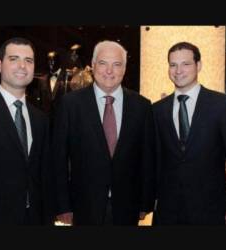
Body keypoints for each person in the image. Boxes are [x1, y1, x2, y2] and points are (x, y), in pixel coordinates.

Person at [51, 40, 154, 225]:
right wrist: (62, 205)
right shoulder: (71, 104)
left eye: (116, 64)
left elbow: (147, 157)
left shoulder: (142, 106)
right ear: (93, 64)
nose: (109, 71)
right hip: (83, 206)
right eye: (103, 63)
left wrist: (145, 202)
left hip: (128, 206)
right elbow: (58, 157)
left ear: (124, 68)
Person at [0, 37, 53, 225]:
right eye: (14, 59)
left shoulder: (41, 119)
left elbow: (45, 178)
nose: (22, 66)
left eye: (29, 60)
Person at [151, 41, 226, 225]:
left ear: (199, 65)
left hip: (212, 208)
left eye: (185, 64)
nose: (178, 70)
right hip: (167, 210)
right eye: (173, 65)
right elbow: (153, 160)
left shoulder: (222, 105)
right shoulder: (156, 110)